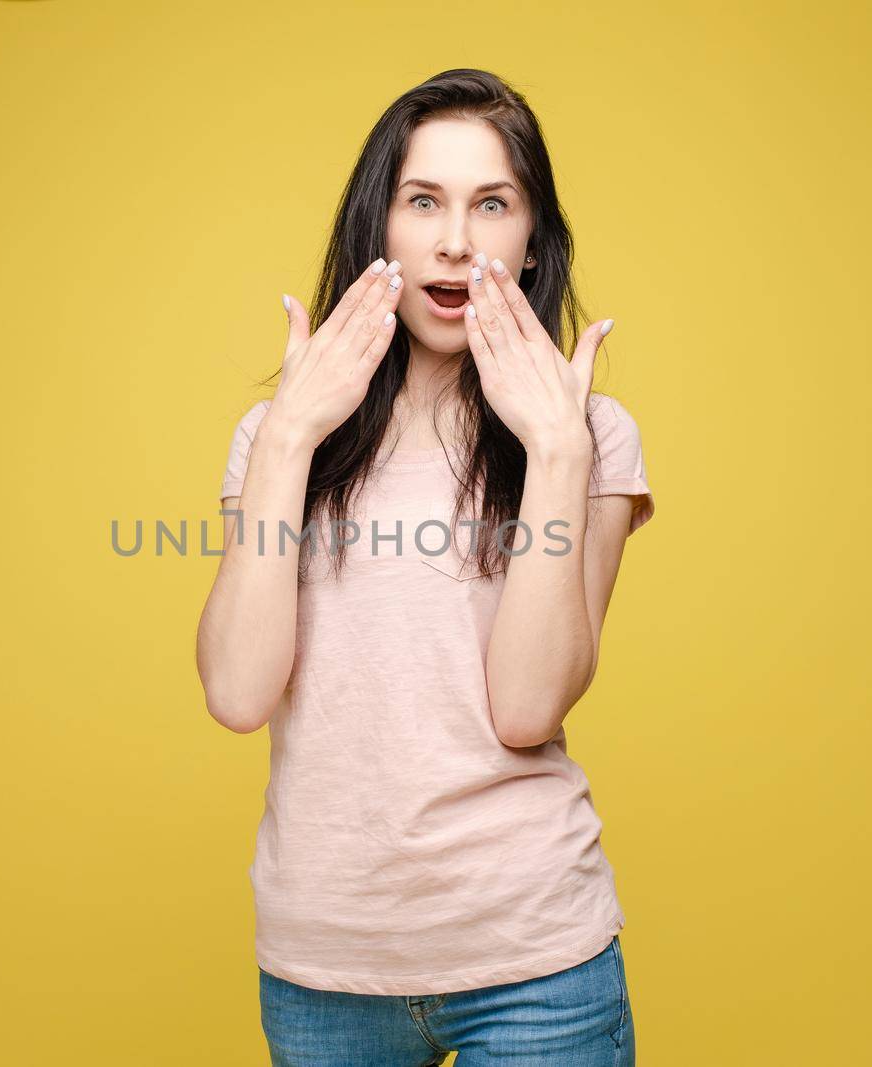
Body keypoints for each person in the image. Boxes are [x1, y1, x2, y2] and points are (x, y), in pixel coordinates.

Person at [195, 68, 655, 1067]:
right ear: (381, 230)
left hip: (535, 963)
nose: (456, 238)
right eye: (423, 201)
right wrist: (286, 442)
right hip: (324, 971)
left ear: (531, 240)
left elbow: (528, 704)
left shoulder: (591, 435)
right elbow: (236, 691)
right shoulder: (274, 439)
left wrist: (558, 452)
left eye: (492, 203)